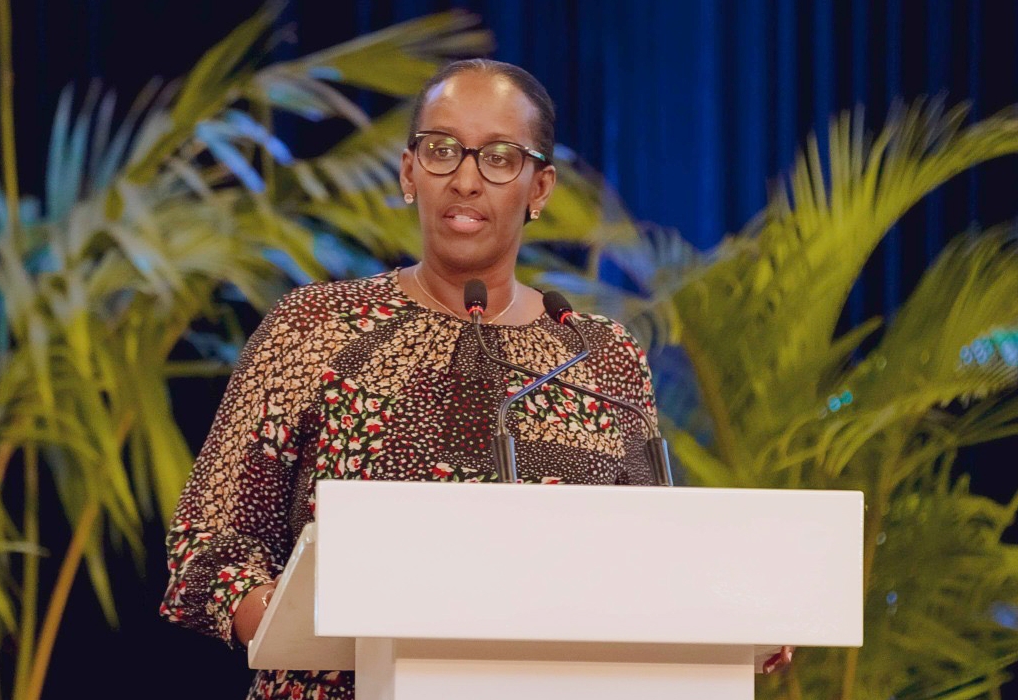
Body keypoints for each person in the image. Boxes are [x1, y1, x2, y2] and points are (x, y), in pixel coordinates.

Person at [161, 58, 789, 699]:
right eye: (442, 151)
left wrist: (730, 613)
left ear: (539, 188)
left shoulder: (598, 356)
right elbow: (205, 548)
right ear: (410, 172)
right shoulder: (316, 328)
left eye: (498, 158)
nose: (465, 179)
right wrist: (298, 626)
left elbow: (650, 559)